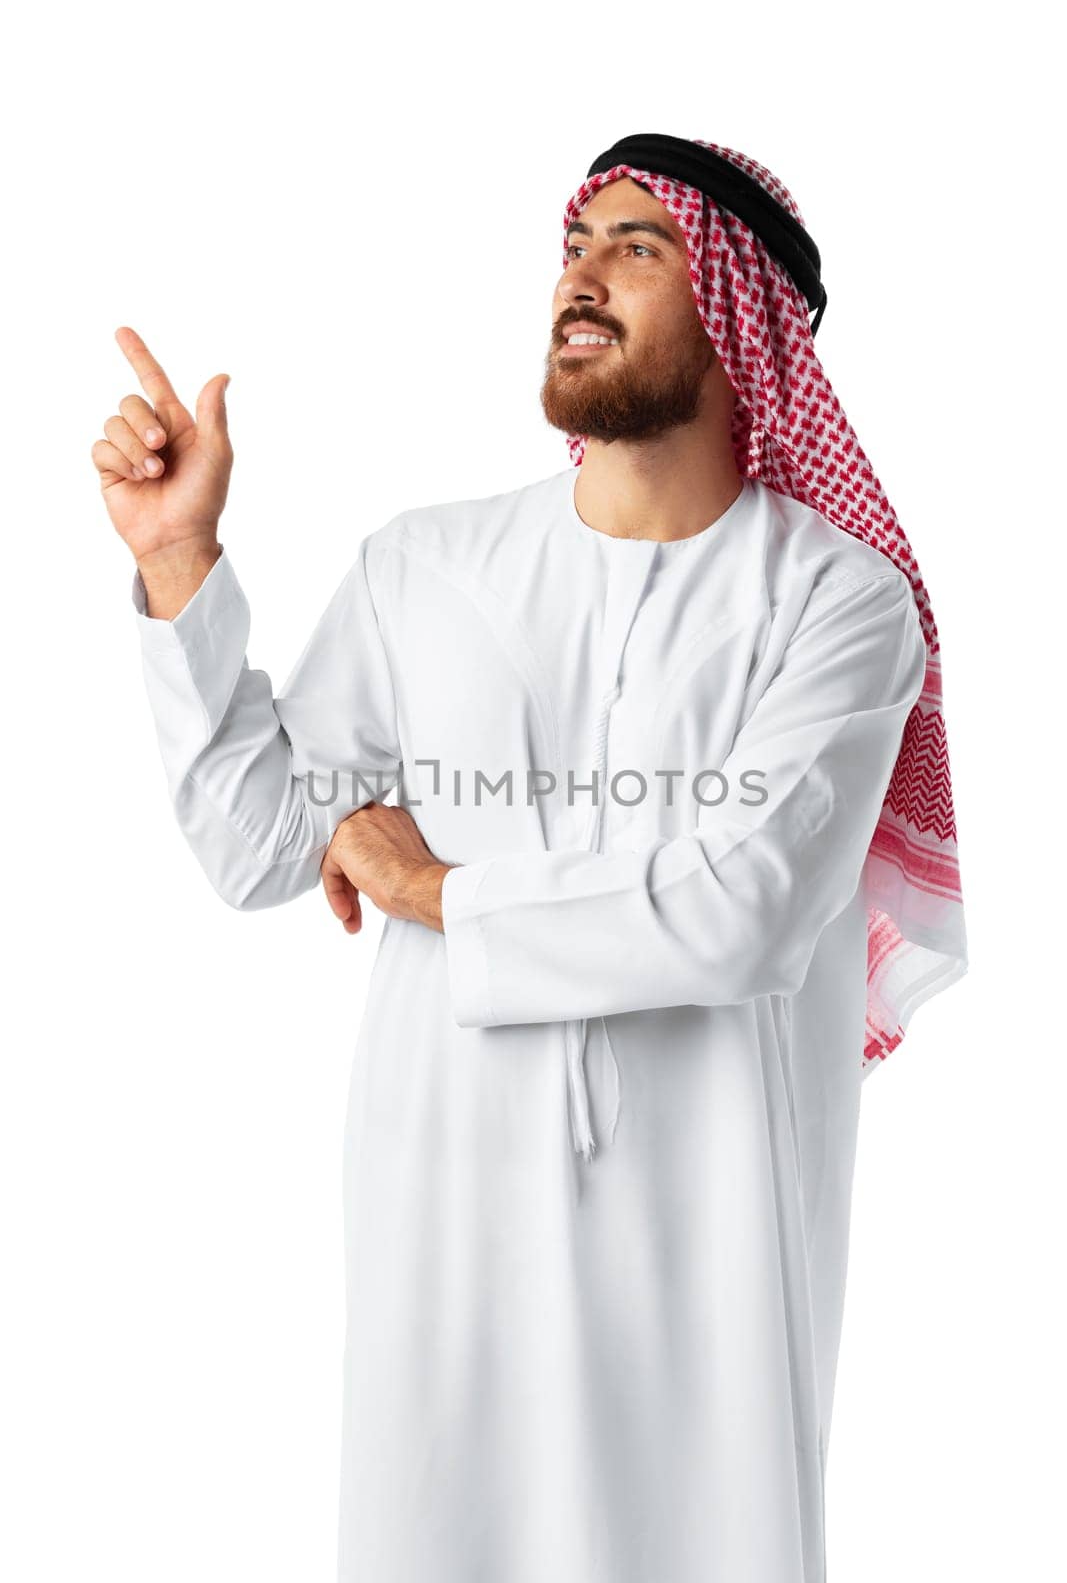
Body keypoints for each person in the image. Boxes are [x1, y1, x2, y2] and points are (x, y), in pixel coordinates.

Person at [94, 134, 968, 1583]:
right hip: (448, 1225)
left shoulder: (837, 603)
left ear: (746, 318)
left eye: (640, 246)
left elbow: (741, 909)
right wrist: (182, 563)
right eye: (576, 244)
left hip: (706, 1256)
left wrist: (433, 889)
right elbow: (257, 843)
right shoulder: (425, 569)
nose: (584, 275)